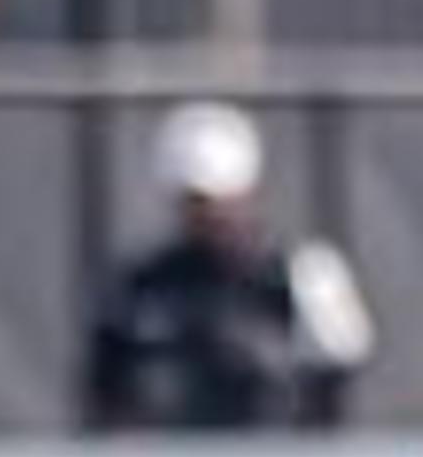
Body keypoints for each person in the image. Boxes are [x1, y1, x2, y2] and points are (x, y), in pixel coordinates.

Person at [83, 99, 375, 432]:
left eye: (216, 202)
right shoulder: (143, 284)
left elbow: (333, 380)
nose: (209, 216)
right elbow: (107, 387)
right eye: (195, 203)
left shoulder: (303, 272)